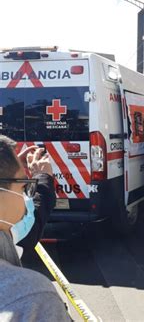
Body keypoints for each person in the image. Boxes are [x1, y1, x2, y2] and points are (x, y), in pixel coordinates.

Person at [0, 135, 69, 321]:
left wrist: (14, 170)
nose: (25, 197)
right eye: (24, 187)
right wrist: (43, 179)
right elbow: (32, 225)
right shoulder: (33, 298)